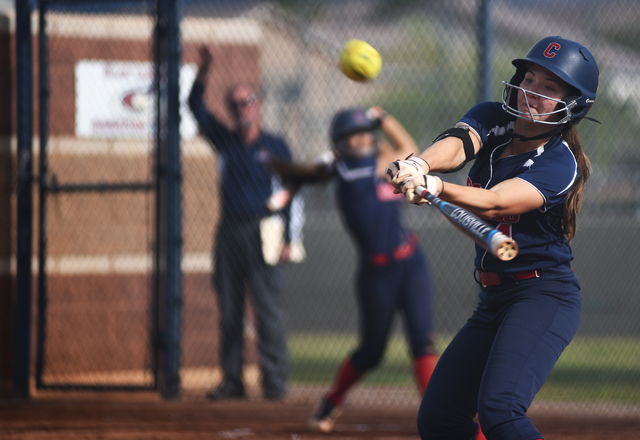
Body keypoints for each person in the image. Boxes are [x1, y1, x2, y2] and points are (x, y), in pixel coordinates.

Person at [385, 36, 599, 440]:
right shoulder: (495, 120)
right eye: (529, 78)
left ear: (572, 106)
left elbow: (497, 203)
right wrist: (420, 165)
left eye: (547, 88)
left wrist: (439, 188)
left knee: (500, 410)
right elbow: (458, 145)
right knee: (440, 418)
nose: (529, 92)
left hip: (543, 295)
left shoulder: (558, 162)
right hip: (494, 299)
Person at [271, 106, 439, 433]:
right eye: (354, 136)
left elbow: (410, 152)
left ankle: (437, 417)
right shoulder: (351, 172)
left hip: (411, 262)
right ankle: (333, 399)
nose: (363, 140)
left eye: (366, 133)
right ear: (341, 144)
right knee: (371, 353)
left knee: (423, 342)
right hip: (378, 277)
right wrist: (378, 123)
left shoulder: (363, 164)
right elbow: (407, 152)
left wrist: (384, 119)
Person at [188, 46, 298, 401]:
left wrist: (288, 238)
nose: (242, 109)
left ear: (258, 104)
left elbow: (292, 193)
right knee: (231, 309)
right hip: (230, 232)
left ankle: (275, 384)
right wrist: (205, 69)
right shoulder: (227, 142)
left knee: (268, 311)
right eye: (235, 104)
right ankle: (232, 381)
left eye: (247, 101)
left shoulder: (275, 145)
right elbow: (194, 106)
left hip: (265, 230)